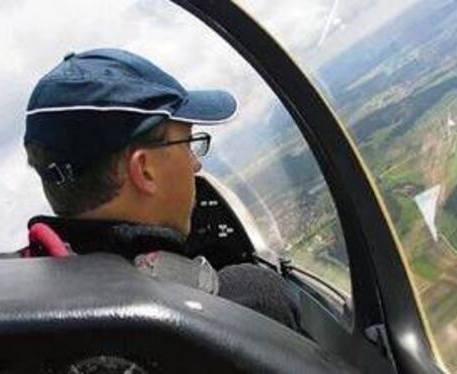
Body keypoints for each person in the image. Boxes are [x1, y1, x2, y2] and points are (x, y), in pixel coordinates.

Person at [20, 48, 299, 330]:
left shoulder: (21, 308)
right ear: (144, 170)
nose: (195, 165)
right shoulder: (251, 301)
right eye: (188, 143)